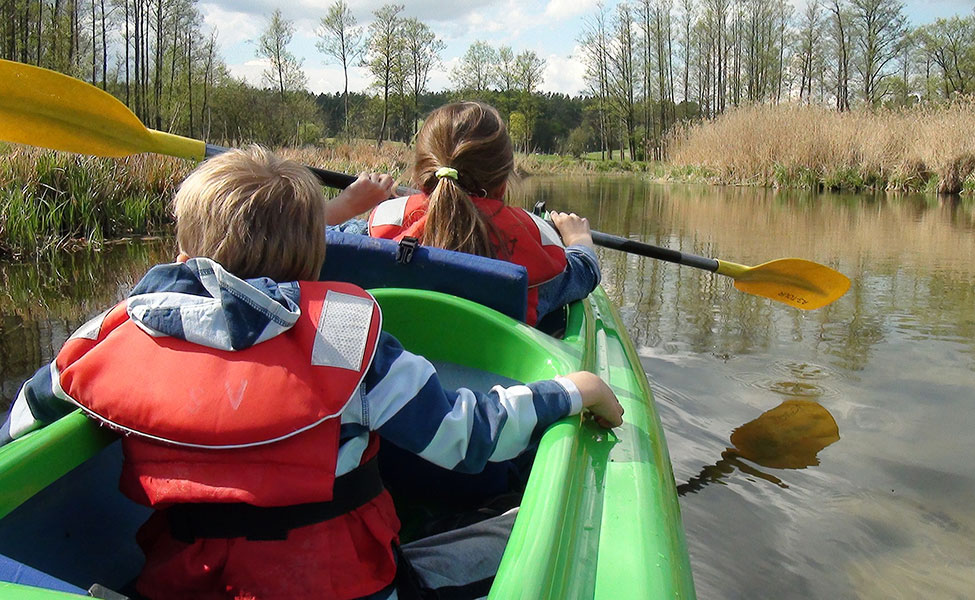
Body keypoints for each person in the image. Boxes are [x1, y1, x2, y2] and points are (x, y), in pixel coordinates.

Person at [0, 146, 624, 600]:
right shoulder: (346, 334)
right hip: (343, 590)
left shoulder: (107, 335)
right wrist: (570, 391)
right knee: (508, 538)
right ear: (317, 252)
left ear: (183, 253)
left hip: (182, 589)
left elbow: (22, 424)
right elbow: (465, 440)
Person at [368, 101, 601, 326]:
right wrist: (579, 240)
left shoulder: (371, 235)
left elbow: (334, 240)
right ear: (502, 186)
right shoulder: (541, 264)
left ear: (421, 179)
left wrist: (354, 204)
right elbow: (584, 273)